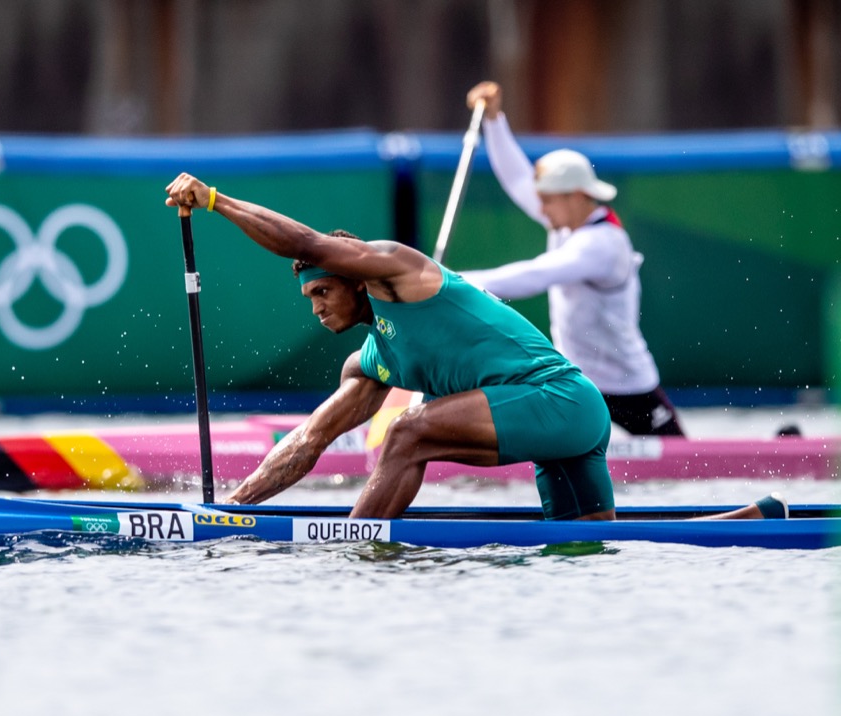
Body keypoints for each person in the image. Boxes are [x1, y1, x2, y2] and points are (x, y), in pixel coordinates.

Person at [162, 172, 784, 522]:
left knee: (407, 432)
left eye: (323, 290)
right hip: (560, 429)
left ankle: (359, 547)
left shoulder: (397, 269)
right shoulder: (371, 362)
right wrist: (227, 513)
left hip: (560, 400)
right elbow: (308, 441)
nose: (318, 306)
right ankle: (752, 519)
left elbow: (306, 242)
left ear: (355, 279)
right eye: (309, 299)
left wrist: (216, 201)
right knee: (588, 546)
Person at [457, 81, 685, 438]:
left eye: (547, 200)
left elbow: (536, 275)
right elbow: (517, 178)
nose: (540, 208)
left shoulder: (603, 244)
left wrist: (449, 282)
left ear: (577, 196)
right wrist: (495, 121)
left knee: (685, 466)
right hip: (575, 381)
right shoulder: (564, 219)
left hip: (628, 386)